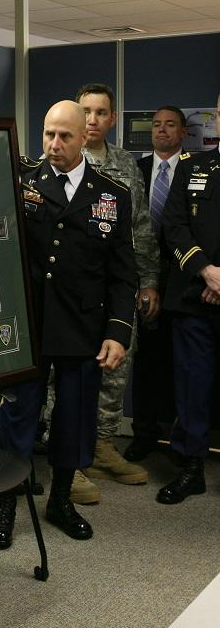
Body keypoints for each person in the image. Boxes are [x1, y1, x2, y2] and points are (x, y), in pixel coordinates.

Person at [0, 100, 137, 547]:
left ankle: (62, 500)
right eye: (48, 134)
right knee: (18, 418)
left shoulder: (112, 194)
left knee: (74, 421)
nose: (54, 144)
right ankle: (6, 500)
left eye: (64, 136)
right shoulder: (24, 180)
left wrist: (117, 331)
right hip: (29, 328)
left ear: (84, 137)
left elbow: (123, 273)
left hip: (81, 329)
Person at [41, 83, 157, 504]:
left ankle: (100, 447)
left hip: (105, 297)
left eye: (100, 112)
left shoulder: (124, 168)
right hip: (58, 305)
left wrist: (147, 283)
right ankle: (66, 462)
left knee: (110, 375)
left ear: (111, 119)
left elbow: (137, 230)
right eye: (85, 111)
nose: (92, 119)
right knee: (59, 387)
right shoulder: (42, 170)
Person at [158, 93, 220, 504]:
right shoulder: (193, 167)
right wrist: (208, 272)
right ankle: (191, 466)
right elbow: (174, 226)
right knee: (192, 386)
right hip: (194, 296)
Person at [126, 106, 189, 462]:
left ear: (183, 133)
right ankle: (144, 433)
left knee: (182, 360)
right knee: (146, 360)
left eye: (170, 126)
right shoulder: (137, 169)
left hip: (182, 276)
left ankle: (181, 436)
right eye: (156, 125)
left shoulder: (195, 169)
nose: (162, 131)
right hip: (143, 275)